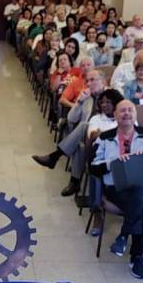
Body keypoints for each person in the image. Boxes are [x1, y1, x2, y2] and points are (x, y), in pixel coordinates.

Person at [89, 97, 143, 279]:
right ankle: (137, 255)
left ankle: (124, 236)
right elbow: (93, 166)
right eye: (122, 110)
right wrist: (112, 163)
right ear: (115, 115)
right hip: (116, 187)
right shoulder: (104, 138)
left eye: (130, 110)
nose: (126, 113)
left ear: (136, 114)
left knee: (140, 190)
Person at [32, 69, 108, 197]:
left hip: (104, 136)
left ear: (103, 81)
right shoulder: (86, 97)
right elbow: (71, 118)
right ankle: (74, 182)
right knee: (79, 145)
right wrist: (80, 102)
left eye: (92, 80)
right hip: (88, 138)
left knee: (83, 126)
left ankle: (55, 156)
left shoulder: (111, 96)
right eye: (87, 81)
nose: (89, 83)